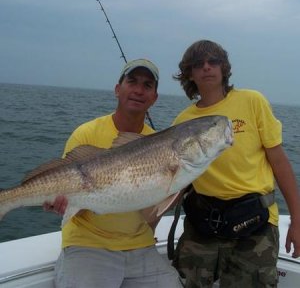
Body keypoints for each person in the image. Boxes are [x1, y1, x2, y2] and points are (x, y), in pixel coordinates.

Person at [171, 39, 300, 288]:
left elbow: (280, 163)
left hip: (255, 224)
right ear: (189, 73)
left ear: (224, 67)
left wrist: (297, 220)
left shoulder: (253, 101)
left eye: (213, 61)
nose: (207, 67)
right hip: (203, 224)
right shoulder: (183, 121)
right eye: (198, 64)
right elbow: (177, 181)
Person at [44, 59, 182, 288]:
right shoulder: (86, 133)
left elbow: (150, 212)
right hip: (88, 245)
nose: (139, 90)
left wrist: (177, 184)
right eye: (132, 82)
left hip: (140, 247)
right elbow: (64, 183)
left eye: (148, 85)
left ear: (155, 98)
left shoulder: (159, 145)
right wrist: (57, 203)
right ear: (118, 89)